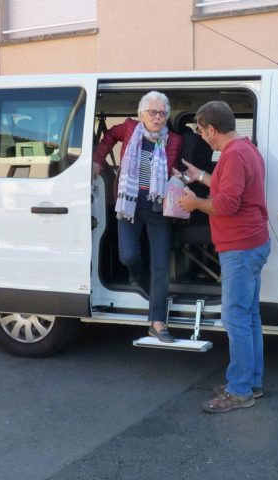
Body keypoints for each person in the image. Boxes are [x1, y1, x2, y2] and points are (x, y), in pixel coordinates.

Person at [176, 101, 270, 413]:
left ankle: (240, 390)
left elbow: (227, 204)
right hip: (253, 242)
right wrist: (201, 176)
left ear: (212, 129)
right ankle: (251, 382)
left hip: (239, 246)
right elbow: (232, 188)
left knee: (235, 318)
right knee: (249, 315)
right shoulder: (246, 148)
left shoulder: (232, 155)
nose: (201, 136)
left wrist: (195, 204)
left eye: (201, 131)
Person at [93, 91, 183, 343]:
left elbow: (178, 167)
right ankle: (139, 277)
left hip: (157, 205)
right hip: (128, 202)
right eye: (153, 112)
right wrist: (97, 161)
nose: (158, 117)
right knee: (128, 255)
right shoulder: (129, 128)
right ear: (141, 114)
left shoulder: (174, 139)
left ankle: (157, 323)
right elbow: (109, 136)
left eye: (162, 113)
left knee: (161, 264)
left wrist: (180, 175)